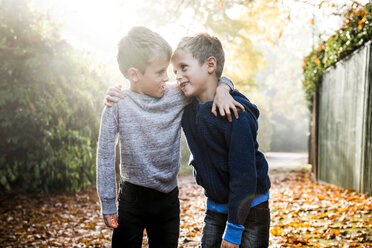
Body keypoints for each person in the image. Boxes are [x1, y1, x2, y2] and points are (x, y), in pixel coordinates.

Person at [97, 26, 242, 248]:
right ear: (133, 74)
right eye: (159, 72)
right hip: (132, 198)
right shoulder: (117, 104)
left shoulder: (177, 95)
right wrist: (108, 203)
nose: (167, 77)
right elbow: (105, 155)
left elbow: (212, 78)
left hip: (167, 198)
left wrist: (224, 88)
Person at [171, 33, 271, 248]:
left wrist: (234, 231)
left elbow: (244, 176)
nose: (177, 76)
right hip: (216, 207)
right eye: (174, 71)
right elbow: (152, 92)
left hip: (251, 207)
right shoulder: (186, 107)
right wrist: (120, 94)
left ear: (210, 64)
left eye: (184, 67)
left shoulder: (235, 114)